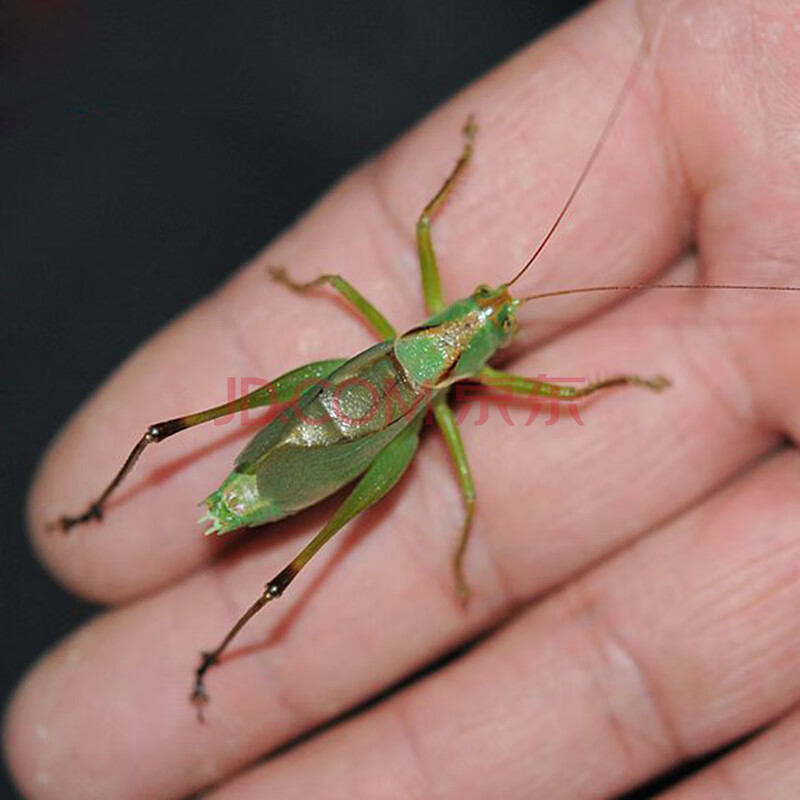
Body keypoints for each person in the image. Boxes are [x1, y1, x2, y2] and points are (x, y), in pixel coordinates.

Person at [6, 0, 800, 797]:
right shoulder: (482, 377)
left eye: (493, 314)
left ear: (467, 329)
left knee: (301, 532)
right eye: (492, 304)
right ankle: (182, 605)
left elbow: (427, 238)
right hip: (346, 415)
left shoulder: (454, 357)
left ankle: (196, 617)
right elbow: (502, 431)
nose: (491, 310)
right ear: (469, 326)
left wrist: (613, 378)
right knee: (189, 436)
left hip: (357, 429)